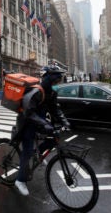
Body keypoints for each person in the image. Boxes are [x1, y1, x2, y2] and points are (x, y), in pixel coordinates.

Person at [14, 65, 71, 196]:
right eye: (54, 80)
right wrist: (44, 124)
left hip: (40, 123)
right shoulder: (36, 91)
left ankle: (37, 153)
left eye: (57, 81)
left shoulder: (51, 93)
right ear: (47, 78)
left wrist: (64, 121)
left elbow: (55, 109)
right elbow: (29, 113)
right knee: (27, 152)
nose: (56, 83)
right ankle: (20, 180)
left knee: (53, 139)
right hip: (27, 124)